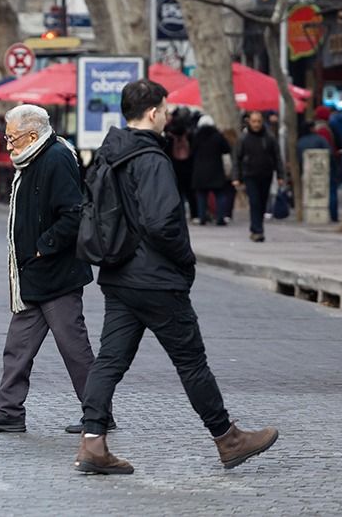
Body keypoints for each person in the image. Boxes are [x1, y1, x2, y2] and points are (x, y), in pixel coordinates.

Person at [74, 79, 278, 475]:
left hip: (117, 276)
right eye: (165, 110)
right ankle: (228, 438)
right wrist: (186, 262)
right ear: (152, 113)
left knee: (109, 361)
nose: (168, 116)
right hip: (157, 279)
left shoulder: (108, 153)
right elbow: (163, 222)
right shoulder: (150, 158)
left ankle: (92, 443)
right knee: (191, 362)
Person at [0, 105, 101, 435]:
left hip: (56, 275)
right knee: (18, 347)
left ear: (30, 135)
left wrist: (44, 245)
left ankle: (99, 413)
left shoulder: (56, 158)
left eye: (11, 138)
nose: (8, 145)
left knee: (74, 348)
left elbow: (73, 213)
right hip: (33, 275)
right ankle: (9, 411)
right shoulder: (33, 159)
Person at [232, 110, 284, 242]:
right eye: (254, 121)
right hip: (250, 175)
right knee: (255, 202)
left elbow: (277, 157)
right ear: (249, 122)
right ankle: (257, 230)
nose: (256, 124)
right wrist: (236, 177)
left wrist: (280, 175)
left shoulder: (269, 137)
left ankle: (257, 227)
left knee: (262, 203)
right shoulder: (243, 138)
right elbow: (237, 158)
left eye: (259, 121)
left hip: (266, 174)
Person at [189, 115, 232, 226]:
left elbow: (191, 151)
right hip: (216, 169)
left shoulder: (197, 136)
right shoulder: (217, 136)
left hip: (200, 170)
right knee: (220, 195)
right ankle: (220, 218)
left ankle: (202, 217)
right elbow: (227, 149)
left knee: (201, 196)